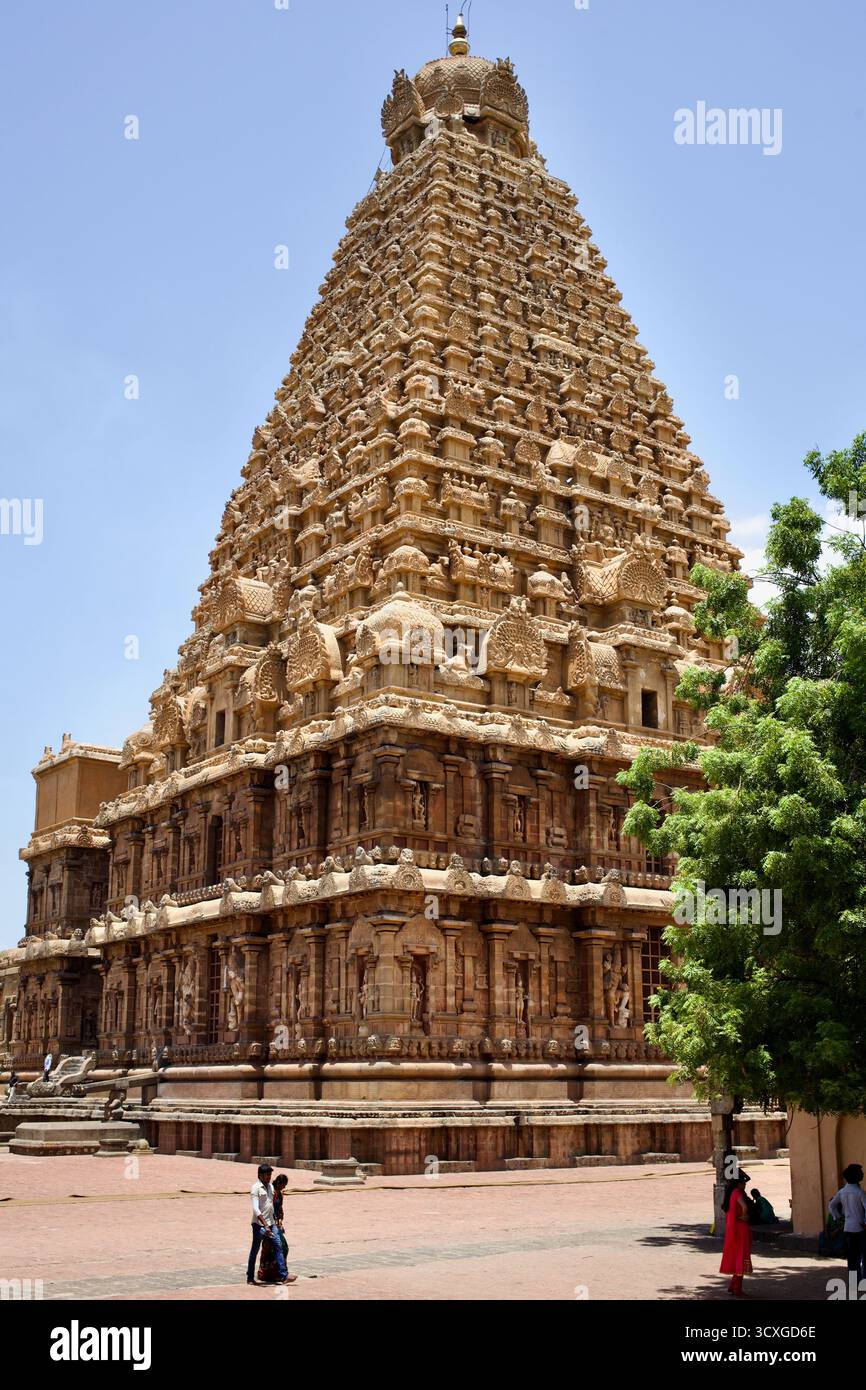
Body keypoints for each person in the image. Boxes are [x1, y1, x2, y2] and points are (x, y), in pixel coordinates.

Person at [247, 1163, 295, 1286]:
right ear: (260, 1175)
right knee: (255, 1250)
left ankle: (283, 1275)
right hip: (259, 1225)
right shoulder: (255, 1188)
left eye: (270, 1174)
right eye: (267, 1174)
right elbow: (256, 1210)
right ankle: (250, 1277)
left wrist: (277, 1222)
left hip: (271, 1224)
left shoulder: (270, 1188)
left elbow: (273, 1206)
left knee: (278, 1245)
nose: (269, 1177)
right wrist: (265, 1225)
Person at [828, 1163, 866, 1285]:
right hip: (860, 1229)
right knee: (863, 1255)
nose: (863, 1174)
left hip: (848, 1228)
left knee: (852, 1257)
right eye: (861, 1172)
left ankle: (854, 1282)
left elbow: (831, 1206)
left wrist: (837, 1217)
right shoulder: (860, 1193)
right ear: (856, 1176)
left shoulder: (842, 1192)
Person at [719, 1170, 753, 1296]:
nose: (745, 1184)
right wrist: (744, 1216)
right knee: (741, 1257)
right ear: (738, 1184)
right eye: (743, 1182)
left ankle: (733, 1285)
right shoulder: (738, 1193)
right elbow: (744, 1206)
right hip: (741, 1228)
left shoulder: (731, 1193)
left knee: (737, 1256)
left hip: (734, 1229)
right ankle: (737, 1288)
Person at [258, 1174, 292, 1283]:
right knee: (279, 1247)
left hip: (276, 1225)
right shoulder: (269, 1193)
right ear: (279, 1183)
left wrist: (280, 1221)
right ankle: (278, 1274)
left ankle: (276, 1273)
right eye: (284, 1185)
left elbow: (280, 1209)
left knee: (279, 1247)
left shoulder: (280, 1195)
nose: (284, 1187)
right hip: (268, 1224)